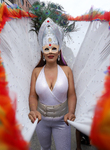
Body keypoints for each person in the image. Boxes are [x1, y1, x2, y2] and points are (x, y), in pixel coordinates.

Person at [28, 18, 77, 150]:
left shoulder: (67, 71)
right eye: (47, 48)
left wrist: (71, 112)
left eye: (54, 48)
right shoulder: (36, 72)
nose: (50, 51)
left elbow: (72, 94)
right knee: (45, 148)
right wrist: (33, 110)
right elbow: (32, 95)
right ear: (42, 51)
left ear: (59, 51)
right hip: (41, 121)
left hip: (62, 121)